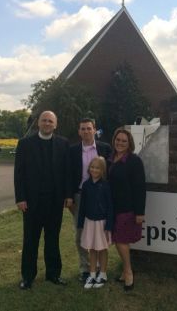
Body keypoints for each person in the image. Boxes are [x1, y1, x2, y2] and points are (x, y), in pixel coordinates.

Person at [14, 110, 73, 290]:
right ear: (38, 123)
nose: (47, 124)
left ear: (55, 125)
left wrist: (68, 195)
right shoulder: (25, 144)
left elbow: (67, 173)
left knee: (52, 239)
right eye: (44, 120)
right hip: (31, 202)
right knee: (30, 240)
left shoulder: (63, 144)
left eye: (50, 121)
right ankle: (28, 276)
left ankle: (53, 274)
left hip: (55, 202)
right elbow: (19, 174)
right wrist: (21, 198)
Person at [69, 118, 112, 282]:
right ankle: (85, 268)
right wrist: (69, 197)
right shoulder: (72, 150)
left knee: (100, 232)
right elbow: (67, 174)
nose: (86, 131)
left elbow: (110, 173)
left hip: (100, 195)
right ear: (79, 132)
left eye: (89, 128)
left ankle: (101, 268)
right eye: (83, 129)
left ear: (94, 130)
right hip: (80, 196)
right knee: (80, 233)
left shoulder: (105, 148)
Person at [108, 128, 146, 291]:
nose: (120, 143)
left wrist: (139, 212)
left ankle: (128, 272)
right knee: (117, 239)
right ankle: (125, 271)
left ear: (129, 143)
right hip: (112, 207)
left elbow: (140, 188)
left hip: (127, 207)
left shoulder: (134, 161)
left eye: (124, 141)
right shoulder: (109, 158)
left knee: (121, 240)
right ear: (114, 140)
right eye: (118, 140)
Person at [77, 156, 113, 289]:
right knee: (91, 248)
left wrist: (109, 225)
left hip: (101, 223)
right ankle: (92, 274)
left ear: (102, 170)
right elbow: (82, 206)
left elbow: (110, 207)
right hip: (89, 222)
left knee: (102, 248)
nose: (94, 170)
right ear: (89, 168)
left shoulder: (106, 185)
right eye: (92, 167)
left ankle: (102, 274)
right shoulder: (86, 185)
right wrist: (80, 223)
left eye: (97, 167)